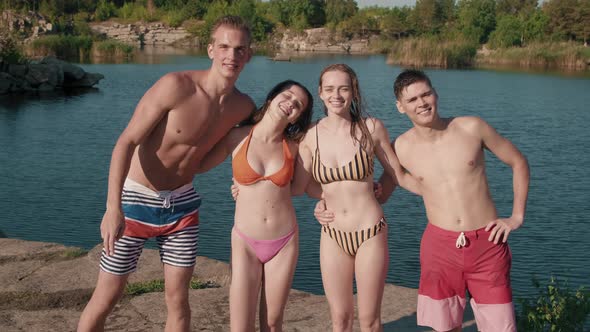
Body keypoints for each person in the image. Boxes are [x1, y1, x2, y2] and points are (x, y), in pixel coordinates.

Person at [77, 16, 255, 332]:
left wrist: (244, 184)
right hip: (134, 201)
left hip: (182, 206)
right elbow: (126, 142)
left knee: (178, 300)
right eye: (225, 47)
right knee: (107, 296)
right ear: (211, 49)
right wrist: (112, 207)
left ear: (249, 55)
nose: (232, 55)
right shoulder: (176, 86)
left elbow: (245, 146)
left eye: (240, 49)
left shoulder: (242, 107)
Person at [317, 69, 530, 332]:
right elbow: (374, 193)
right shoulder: (401, 148)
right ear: (400, 107)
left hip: (487, 244)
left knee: (502, 327)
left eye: (425, 94)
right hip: (439, 248)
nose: (421, 103)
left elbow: (518, 162)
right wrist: (325, 202)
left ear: (435, 93)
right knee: (445, 327)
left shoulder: (472, 127)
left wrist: (516, 216)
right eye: (412, 100)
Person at [293, 64, 420, 332]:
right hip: (333, 233)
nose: (336, 95)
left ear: (353, 92)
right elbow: (302, 186)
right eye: (329, 89)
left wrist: (435, 192)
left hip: (369, 230)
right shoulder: (309, 137)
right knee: (339, 319)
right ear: (320, 92)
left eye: (343, 88)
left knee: (369, 321)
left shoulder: (371, 128)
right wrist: (321, 199)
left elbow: (396, 173)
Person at [197, 80, 315, 331]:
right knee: (240, 326)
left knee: (272, 324)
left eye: (298, 105)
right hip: (245, 241)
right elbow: (199, 164)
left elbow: (300, 189)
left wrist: (337, 198)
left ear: (297, 117)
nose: (291, 103)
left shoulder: (295, 148)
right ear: (272, 97)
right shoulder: (236, 136)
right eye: (288, 95)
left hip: (284, 241)